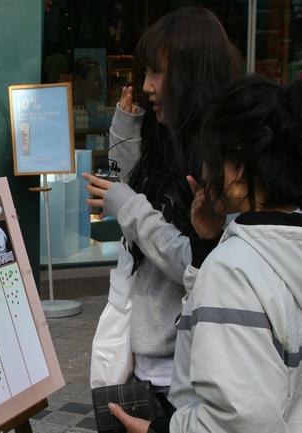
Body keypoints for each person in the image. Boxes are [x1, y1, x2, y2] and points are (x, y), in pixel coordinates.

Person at [109, 75, 302, 433]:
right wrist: (205, 246)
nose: (204, 171)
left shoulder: (233, 271)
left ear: (238, 172)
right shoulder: (283, 247)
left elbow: (240, 421)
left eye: (211, 159)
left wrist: (156, 431)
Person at [82, 5, 243, 416]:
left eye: (157, 72)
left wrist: (127, 206)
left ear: (190, 73)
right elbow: (134, 193)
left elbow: (199, 263)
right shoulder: (169, 141)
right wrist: (125, 127)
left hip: (185, 372)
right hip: (147, 362)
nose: (146, 85)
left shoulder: (223, 165)